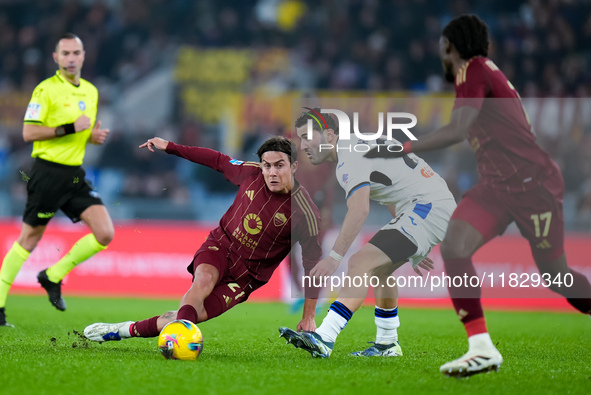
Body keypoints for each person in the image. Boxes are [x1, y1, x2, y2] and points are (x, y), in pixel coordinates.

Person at [365, 14, 591, 377]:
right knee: (455, 246)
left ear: (451, 46)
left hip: (534, 186)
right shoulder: (479, 75)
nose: (440, 54)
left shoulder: (473, 69)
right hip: (497, 187)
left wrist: (403, 147)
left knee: (556, 277)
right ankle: (481, 348)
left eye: (442, 47)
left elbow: (458, 130)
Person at [84, 136, 323, 342]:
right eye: (267, 165)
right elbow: (217, 160)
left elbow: (313, 266)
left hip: (246, 277)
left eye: (279, 166)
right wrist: (170, 146)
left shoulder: (306, 214)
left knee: (183, 316)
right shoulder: (250, 172)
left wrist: (308, 316)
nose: (271, 172)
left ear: (293, 166)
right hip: (221, 245)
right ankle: (181, 344)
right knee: (203, 280)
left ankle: (122, 330)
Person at [278, 108, 456, 358]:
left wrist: (333, 258)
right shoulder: (358, 146)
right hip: (425, 207)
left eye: (308, 137)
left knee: (359, 262)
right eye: (300, 138)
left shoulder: (349, 157)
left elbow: (359, 209)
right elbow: (394, 191)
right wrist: (413, 242)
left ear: (329, 135)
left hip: (426, 207)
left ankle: (324, 337)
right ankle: (387, 344)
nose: (302, 145)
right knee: (382, 269)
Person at [0, 33, 112, 326]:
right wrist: (68, 128)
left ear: (84, 56)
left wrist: (93, 137)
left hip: (74, 175)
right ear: (56, 58)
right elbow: (29, 133)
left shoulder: (90, 91)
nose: (71, 58)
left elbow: (82, 132)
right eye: (65, 53)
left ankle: (52, 275)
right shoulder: (45, 91)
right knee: (29, 239)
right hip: (47, 173)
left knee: (105, 233)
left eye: (76, 52)